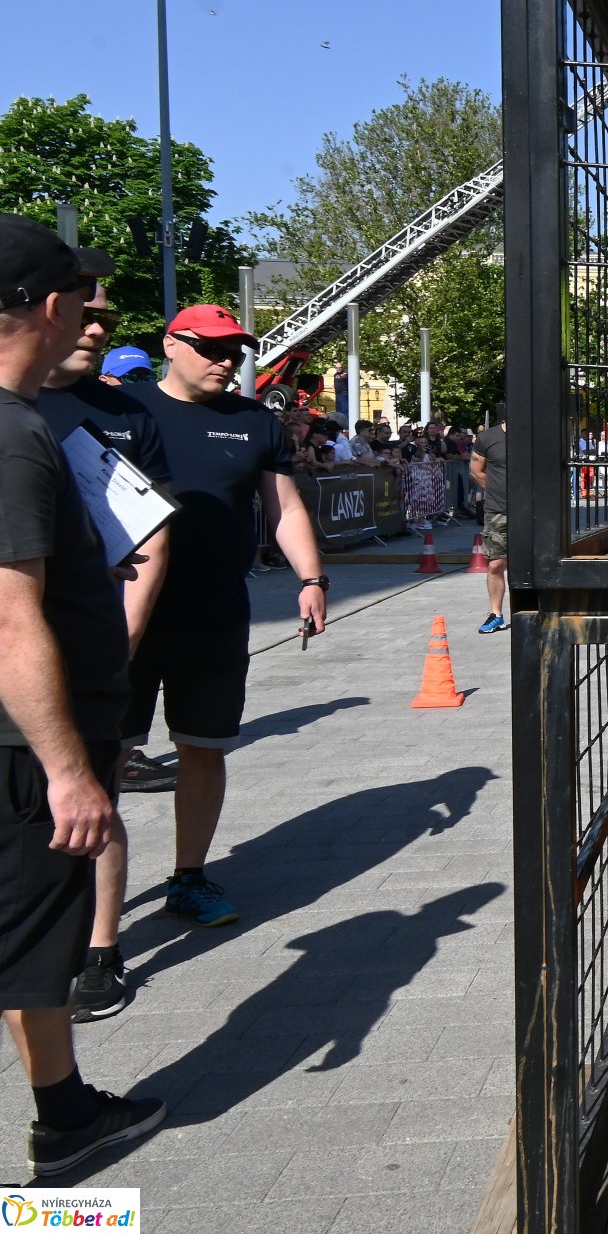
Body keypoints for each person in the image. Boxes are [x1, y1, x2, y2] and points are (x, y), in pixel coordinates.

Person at [0, 215, 166, 1173]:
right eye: (84, 296)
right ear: (52, 307)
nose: (95, 312)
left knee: (30, 945)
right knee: (28, 946)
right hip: (23, 757)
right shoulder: (14, 435)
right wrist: (70, 770)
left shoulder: (31, 424)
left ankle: (64, 1108)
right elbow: (12, 617)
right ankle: (61, 1142)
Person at [122, 304, 330, 929]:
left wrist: (312, 578)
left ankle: (189, 876)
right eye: (211, 348)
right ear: (170, 344)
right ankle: (90, 909)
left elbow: (284, 507)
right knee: (105, 758)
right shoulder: (124, 411)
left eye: (235, 350)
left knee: (203, 750)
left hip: (214, 616)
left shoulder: (254, 421)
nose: (227, 361)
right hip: (123, 617)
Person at [35, 267, 178, 1022]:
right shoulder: (15, 410)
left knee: (95, 796)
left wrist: (122, 636)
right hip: (16, 647)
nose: (97, 329)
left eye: (105, 317)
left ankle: (101, 949)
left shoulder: (124, 415)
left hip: (88, 649)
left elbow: (149, 536)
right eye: (84, 315)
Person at [471, 420, 509, 635]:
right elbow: (477, 471)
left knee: (530, 565)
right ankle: (496, 614)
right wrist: (497, 491)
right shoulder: (488, 437)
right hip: (497, 510)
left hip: (530, 511)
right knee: (496, 564)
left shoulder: (533, 434)